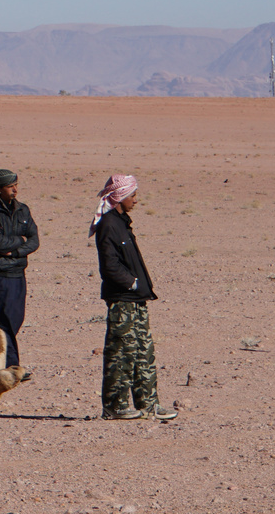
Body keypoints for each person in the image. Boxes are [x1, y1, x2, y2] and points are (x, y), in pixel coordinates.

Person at [90, 173, 177, 421]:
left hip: (137, 300)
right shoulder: (108, 225)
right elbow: (110, 265)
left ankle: (149, 404)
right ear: (120, 197)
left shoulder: (121, 223)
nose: (136, 200)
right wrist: (133, 283)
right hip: (122, 300)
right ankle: (115, 406)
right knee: (121, 354)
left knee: (143, 353)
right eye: (133, 195)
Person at [0, 168, 38, 367]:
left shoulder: (23, 210)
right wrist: (19, 240)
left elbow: (34, 240)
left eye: (16, 185)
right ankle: (8, 366)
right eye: (10, 187)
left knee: (14, 319)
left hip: (17, 272)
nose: (15, 190)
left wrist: (16, 251)